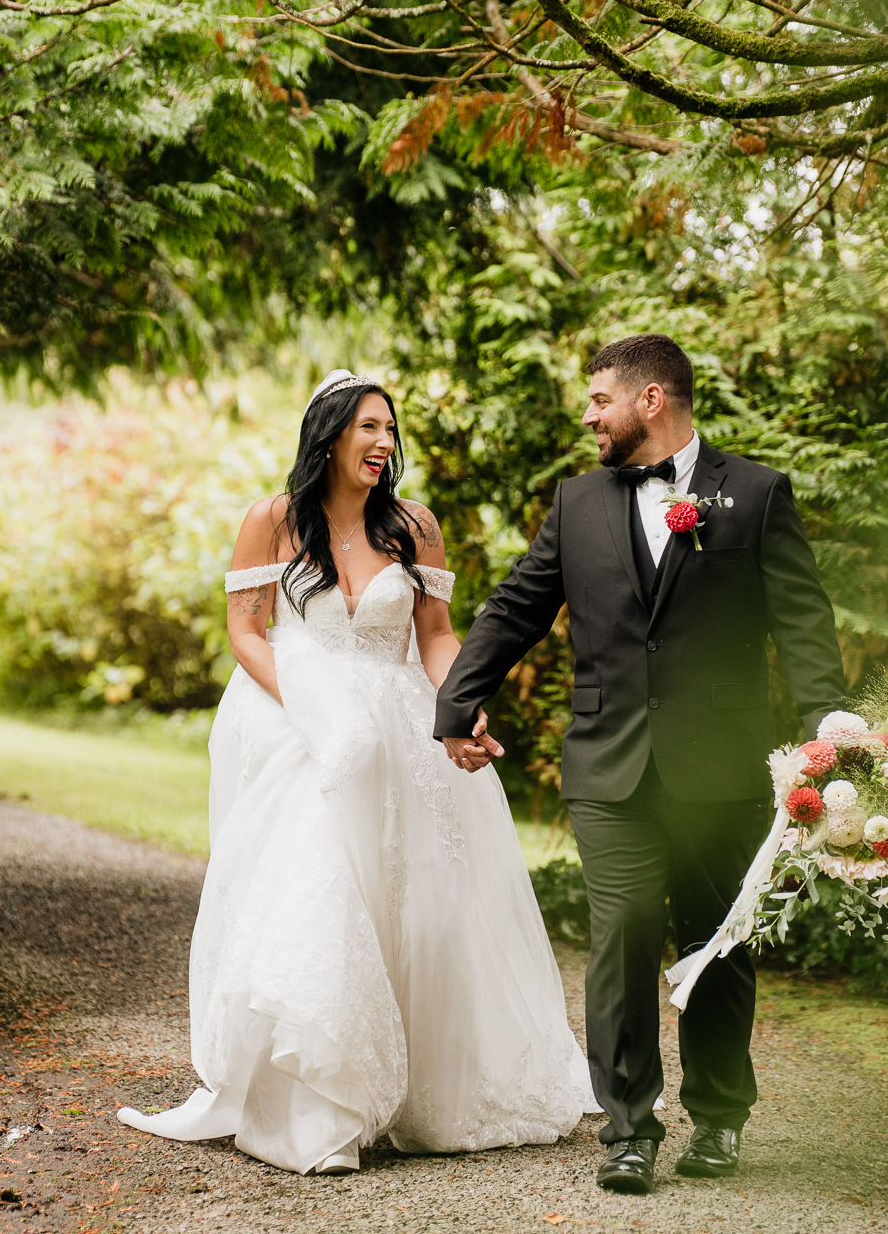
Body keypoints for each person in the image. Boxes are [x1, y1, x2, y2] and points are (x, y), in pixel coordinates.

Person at [118, 370, 597, 1175]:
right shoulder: (271, 521)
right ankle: (317, 1102)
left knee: (418, 900)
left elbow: (437, 635)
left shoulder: (414, 527)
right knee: (319, 888)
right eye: (367, 427)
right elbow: (247, 631)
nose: (382, 443)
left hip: (401, 723)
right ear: (329, 433)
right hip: (297, 721)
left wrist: (462, 705)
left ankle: (417, 1087)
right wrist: (311, 708)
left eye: (389, 429)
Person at [435, 334, 848, 1195]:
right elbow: (518, 603)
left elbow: (802, 623)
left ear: (651, 400)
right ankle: (628, 1129)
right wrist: (457, 699)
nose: (588, 416)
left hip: (722, 769)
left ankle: (722, 1119)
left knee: (719, 942)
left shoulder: (758, 494)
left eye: (599, 400)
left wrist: (826, 731)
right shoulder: (578, 502)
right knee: (622, 936)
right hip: (610, 764)